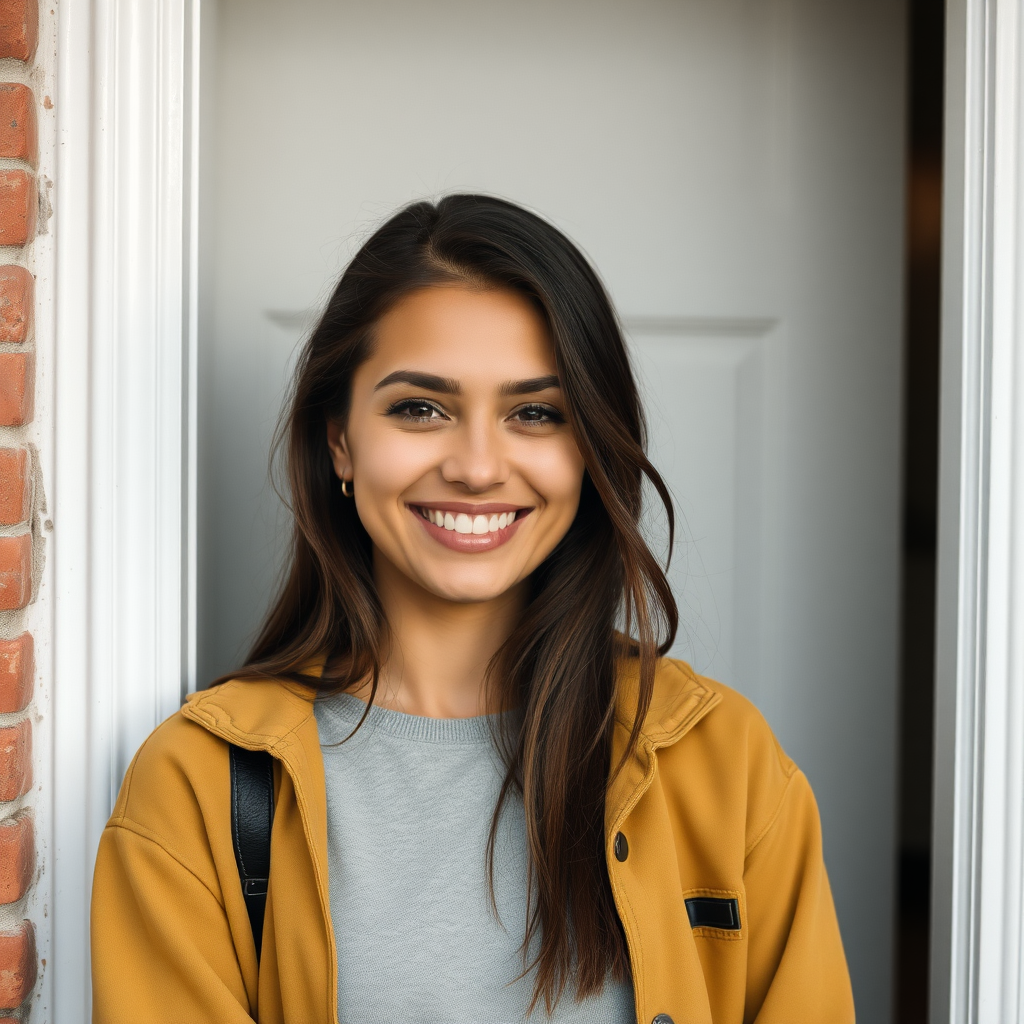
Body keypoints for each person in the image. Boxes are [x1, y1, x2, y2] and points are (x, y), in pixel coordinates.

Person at [90, 195, 854, 1023]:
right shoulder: (197, 786)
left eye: (535, 413)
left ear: (588, 446)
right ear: (340, 440)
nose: (479, 467)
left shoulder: (728, 765)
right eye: (420, 408)